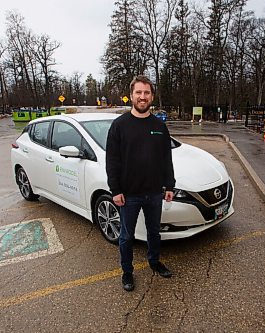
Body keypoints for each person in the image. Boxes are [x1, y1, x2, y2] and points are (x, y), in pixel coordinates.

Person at [106, 75, 175, 292]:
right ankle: (127, 272)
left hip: (154, 193)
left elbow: (166, 159)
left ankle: (154, 262)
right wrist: (115, 190)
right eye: (138, 92)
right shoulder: (119, 126)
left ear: (151, 96)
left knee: (154, 232)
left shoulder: (159, 126)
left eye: (146, 93)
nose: (142, 97)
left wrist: (170, 185)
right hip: (129, 195)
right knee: (126, 236)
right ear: (131, 96)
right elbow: (112, 161)